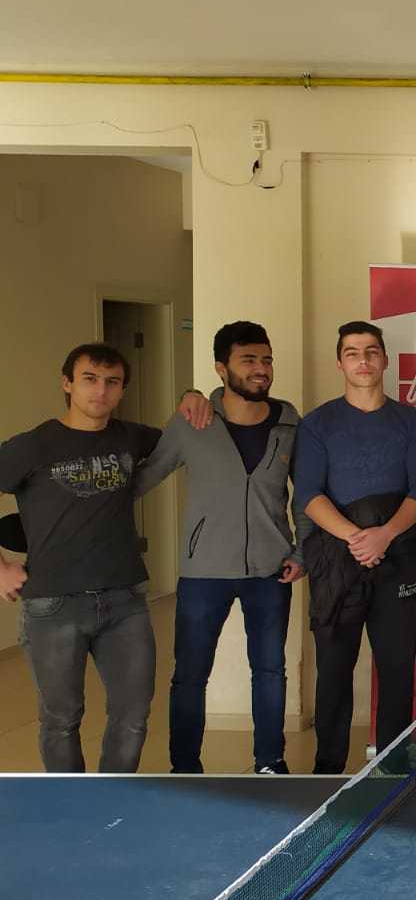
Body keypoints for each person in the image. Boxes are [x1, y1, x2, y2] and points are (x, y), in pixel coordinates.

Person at [135, 322, 310, 775]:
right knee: (190, 675)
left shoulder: (290, 424)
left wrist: (301, 552)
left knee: (270, 671)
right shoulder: (192, 421)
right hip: (204, 572)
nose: (260, 369)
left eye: (266, 360)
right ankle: (185, 768)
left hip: (271, 571)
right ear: (221, 368)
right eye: (248, 360)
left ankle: (270, 762)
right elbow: (142, 478)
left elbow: (307, 495)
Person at [0, 344, 162, 772]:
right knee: (61, 721)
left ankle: (111, 798)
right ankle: (70, 803)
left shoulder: (132, 437)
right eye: (89, 379)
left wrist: (193, 397)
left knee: (133, 715)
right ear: (67, 383)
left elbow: (184, 437)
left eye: (112, 382)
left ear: (122, 390)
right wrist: (0, 569)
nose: (100, 391)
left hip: (125, 600)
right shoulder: (34, 445)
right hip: (53, 603)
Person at [293, 320, 416, 774]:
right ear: (340, 363)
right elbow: (308, 494)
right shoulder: (317, 424)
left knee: (397, 669)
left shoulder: (410, 421)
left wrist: (385, 535)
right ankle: (327, 770)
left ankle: (392, 766)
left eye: (371, 351)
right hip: (337, 565)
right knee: (334, 671)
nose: (363, 360)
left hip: (396, 560)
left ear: (385, 360)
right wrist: (356, 538)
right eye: (353, 353)